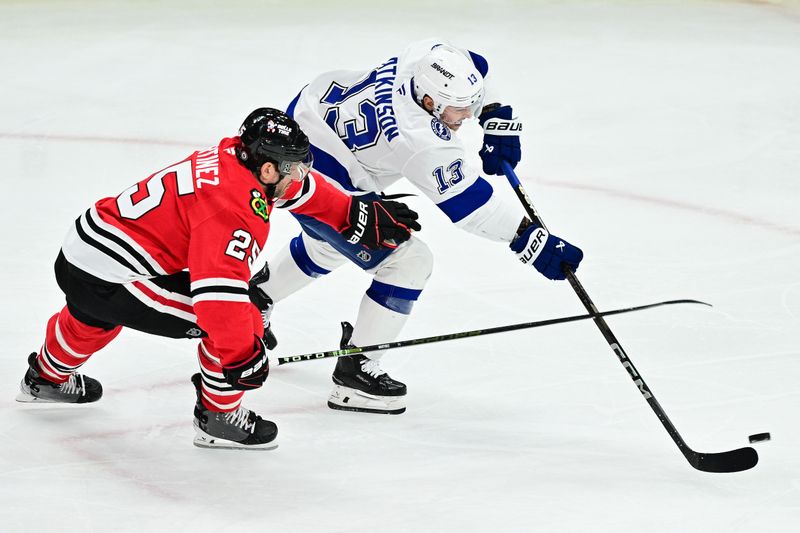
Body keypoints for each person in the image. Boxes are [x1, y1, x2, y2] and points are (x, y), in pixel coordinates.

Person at [16, 108, 420, 450]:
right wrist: (241, 356)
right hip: (112, 277)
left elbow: (299, 191)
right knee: (242, 317)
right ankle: (219, 416)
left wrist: (351, 213)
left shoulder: (234, 155)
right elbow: (217, 296)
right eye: (293, 169)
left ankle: (45, 378)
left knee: (92, 317)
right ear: (266, 168)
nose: (299, 176)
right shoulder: (233, 208)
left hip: (83, 253)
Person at [253, 39, 584, 415]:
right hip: (316, 176)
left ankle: (258, 296)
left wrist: (496, 113)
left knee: (331, 243)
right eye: (461, 110)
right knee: (408, 261)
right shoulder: (420, 142)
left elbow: (475, 64)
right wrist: (531, 240)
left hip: (307, 116)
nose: (467, 117)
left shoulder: (423, 59)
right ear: (429, 103)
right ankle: (355, 372)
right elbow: (471, 207)